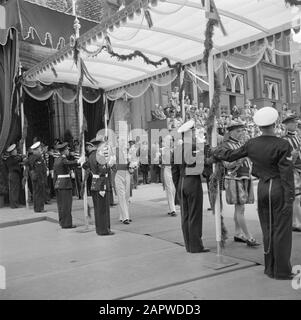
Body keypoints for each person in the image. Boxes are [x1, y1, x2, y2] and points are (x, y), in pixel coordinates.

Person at [213, 107, 295, 280]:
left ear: (258, 126)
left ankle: (270, 267)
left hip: (263, 187)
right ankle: (281, 271)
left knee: (267, 228)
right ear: (275, 124)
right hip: (278, 187)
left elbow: (230, 155)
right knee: (281, 229)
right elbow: (286, 176)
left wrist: (216, 151)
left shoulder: (252, 143)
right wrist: (290, 199)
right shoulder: (283, 144)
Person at [222, 121, 260, 247]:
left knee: (239, 208)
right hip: (235, 178)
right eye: (238, 131)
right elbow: (226, 165)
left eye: (242, 131)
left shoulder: (241, 144)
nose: (241, 133)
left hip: (244, 177)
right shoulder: (225, 145)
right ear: (230, 132)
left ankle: (238, 233)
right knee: (240, 208)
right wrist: (241, 158)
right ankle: (248, 236)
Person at [177, 120, 210, 253]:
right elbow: (199, 165)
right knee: (195, 215)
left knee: (185, 215)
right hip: (192, 182)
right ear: (190, 132)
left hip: (182, 181)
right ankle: (196, 246)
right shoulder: (194, 146)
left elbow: (175, 169)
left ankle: (188, 245)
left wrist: (178, 186)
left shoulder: (178, 148)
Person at [82, 135, 115, 236]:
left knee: (98, 209)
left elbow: (85, 166)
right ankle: (104, 230)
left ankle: (99, 229)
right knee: (103, 209)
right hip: (101, 185)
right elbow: (102, 172)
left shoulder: (91, 156)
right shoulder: (99, 156)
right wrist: (102, 187)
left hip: (94, 184)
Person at [53, 142, 83, 229]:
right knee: (66, 205)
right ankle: (67, 224)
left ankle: (62, 222)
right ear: (64, 151)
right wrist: (78, 161)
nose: (68, 151)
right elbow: (68, 163)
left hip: (59, 184)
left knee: (61, 205)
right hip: (65, 184)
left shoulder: (57, 159)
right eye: (67, 150)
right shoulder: (63, 159)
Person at [282, 114, 301, 232]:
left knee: (298, 198)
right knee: (297, 198)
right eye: (293, 123)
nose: (296, 124)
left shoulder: (298, 137)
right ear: (287, 124)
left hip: (299, 168)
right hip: (292, 170)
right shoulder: (284, 140)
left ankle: (295, 221)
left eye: (296, 122)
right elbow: (283, 158)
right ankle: (297, 222)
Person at [25, 142, 47, 213]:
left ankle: (37, 208)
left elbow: (27, 164)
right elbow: (39, 169)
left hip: (34, 177)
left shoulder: (31, 157)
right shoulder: (37, 157)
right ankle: (39, 208)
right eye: (39, 149)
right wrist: (42, 178)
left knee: (36, 192)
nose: (41, 150)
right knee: (39, 193)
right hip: (38, 177)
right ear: (36, 150)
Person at [115, 139, 132, 224]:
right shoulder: (115, 151)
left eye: (124, 142)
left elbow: (131, 161)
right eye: (121, 142)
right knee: (121, 195)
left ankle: (123, 216)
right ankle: (125, 217)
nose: (123, 144)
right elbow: (113, 164)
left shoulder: (127, 151)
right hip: (119, 173)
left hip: (127, 173)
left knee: (127, 196)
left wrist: (132, 165)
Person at [161, 135, 176, 217]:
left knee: (173, 189)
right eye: (169, 140)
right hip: (167, 169)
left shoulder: (175, 149)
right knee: (169, 189)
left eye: (171, 140)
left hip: (173, 170)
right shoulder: (163, 150)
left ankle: (171, 208)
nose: (171, 142)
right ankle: (173, 209)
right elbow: (159, 161)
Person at [5, 144, 23, 208]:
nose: (16, 151)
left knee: (13, 189)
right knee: (15, 189)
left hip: (12, 175)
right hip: (14, 175)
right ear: (12, 152)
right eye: (15, 150)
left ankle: (13, 204)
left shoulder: (9, 159)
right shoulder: (12, 159)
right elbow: (19, 159)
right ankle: (14, 204)